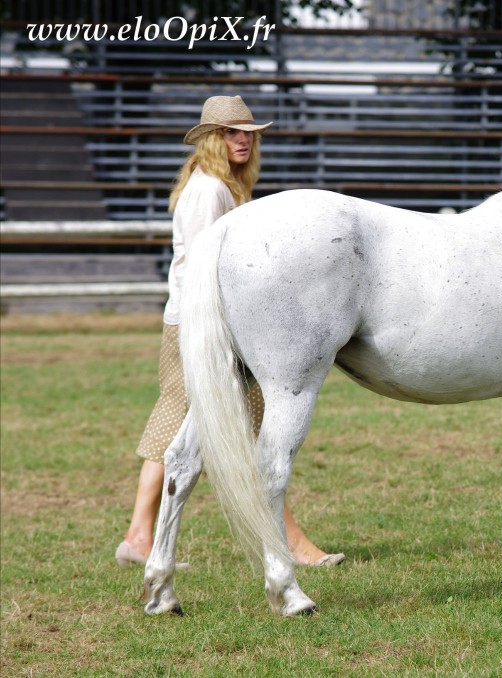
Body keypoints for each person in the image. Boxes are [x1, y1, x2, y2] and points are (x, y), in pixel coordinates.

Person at [115, 96, 345, 569]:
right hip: (202, 326)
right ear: (210, 139)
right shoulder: (209, 193)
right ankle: (288, 544)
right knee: (221, 425)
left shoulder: (219, 185)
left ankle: (140, 537)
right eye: (232, 132)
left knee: (215, 423)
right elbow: (204, 272)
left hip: (203, 323)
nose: (244, 140)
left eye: (249, 132)